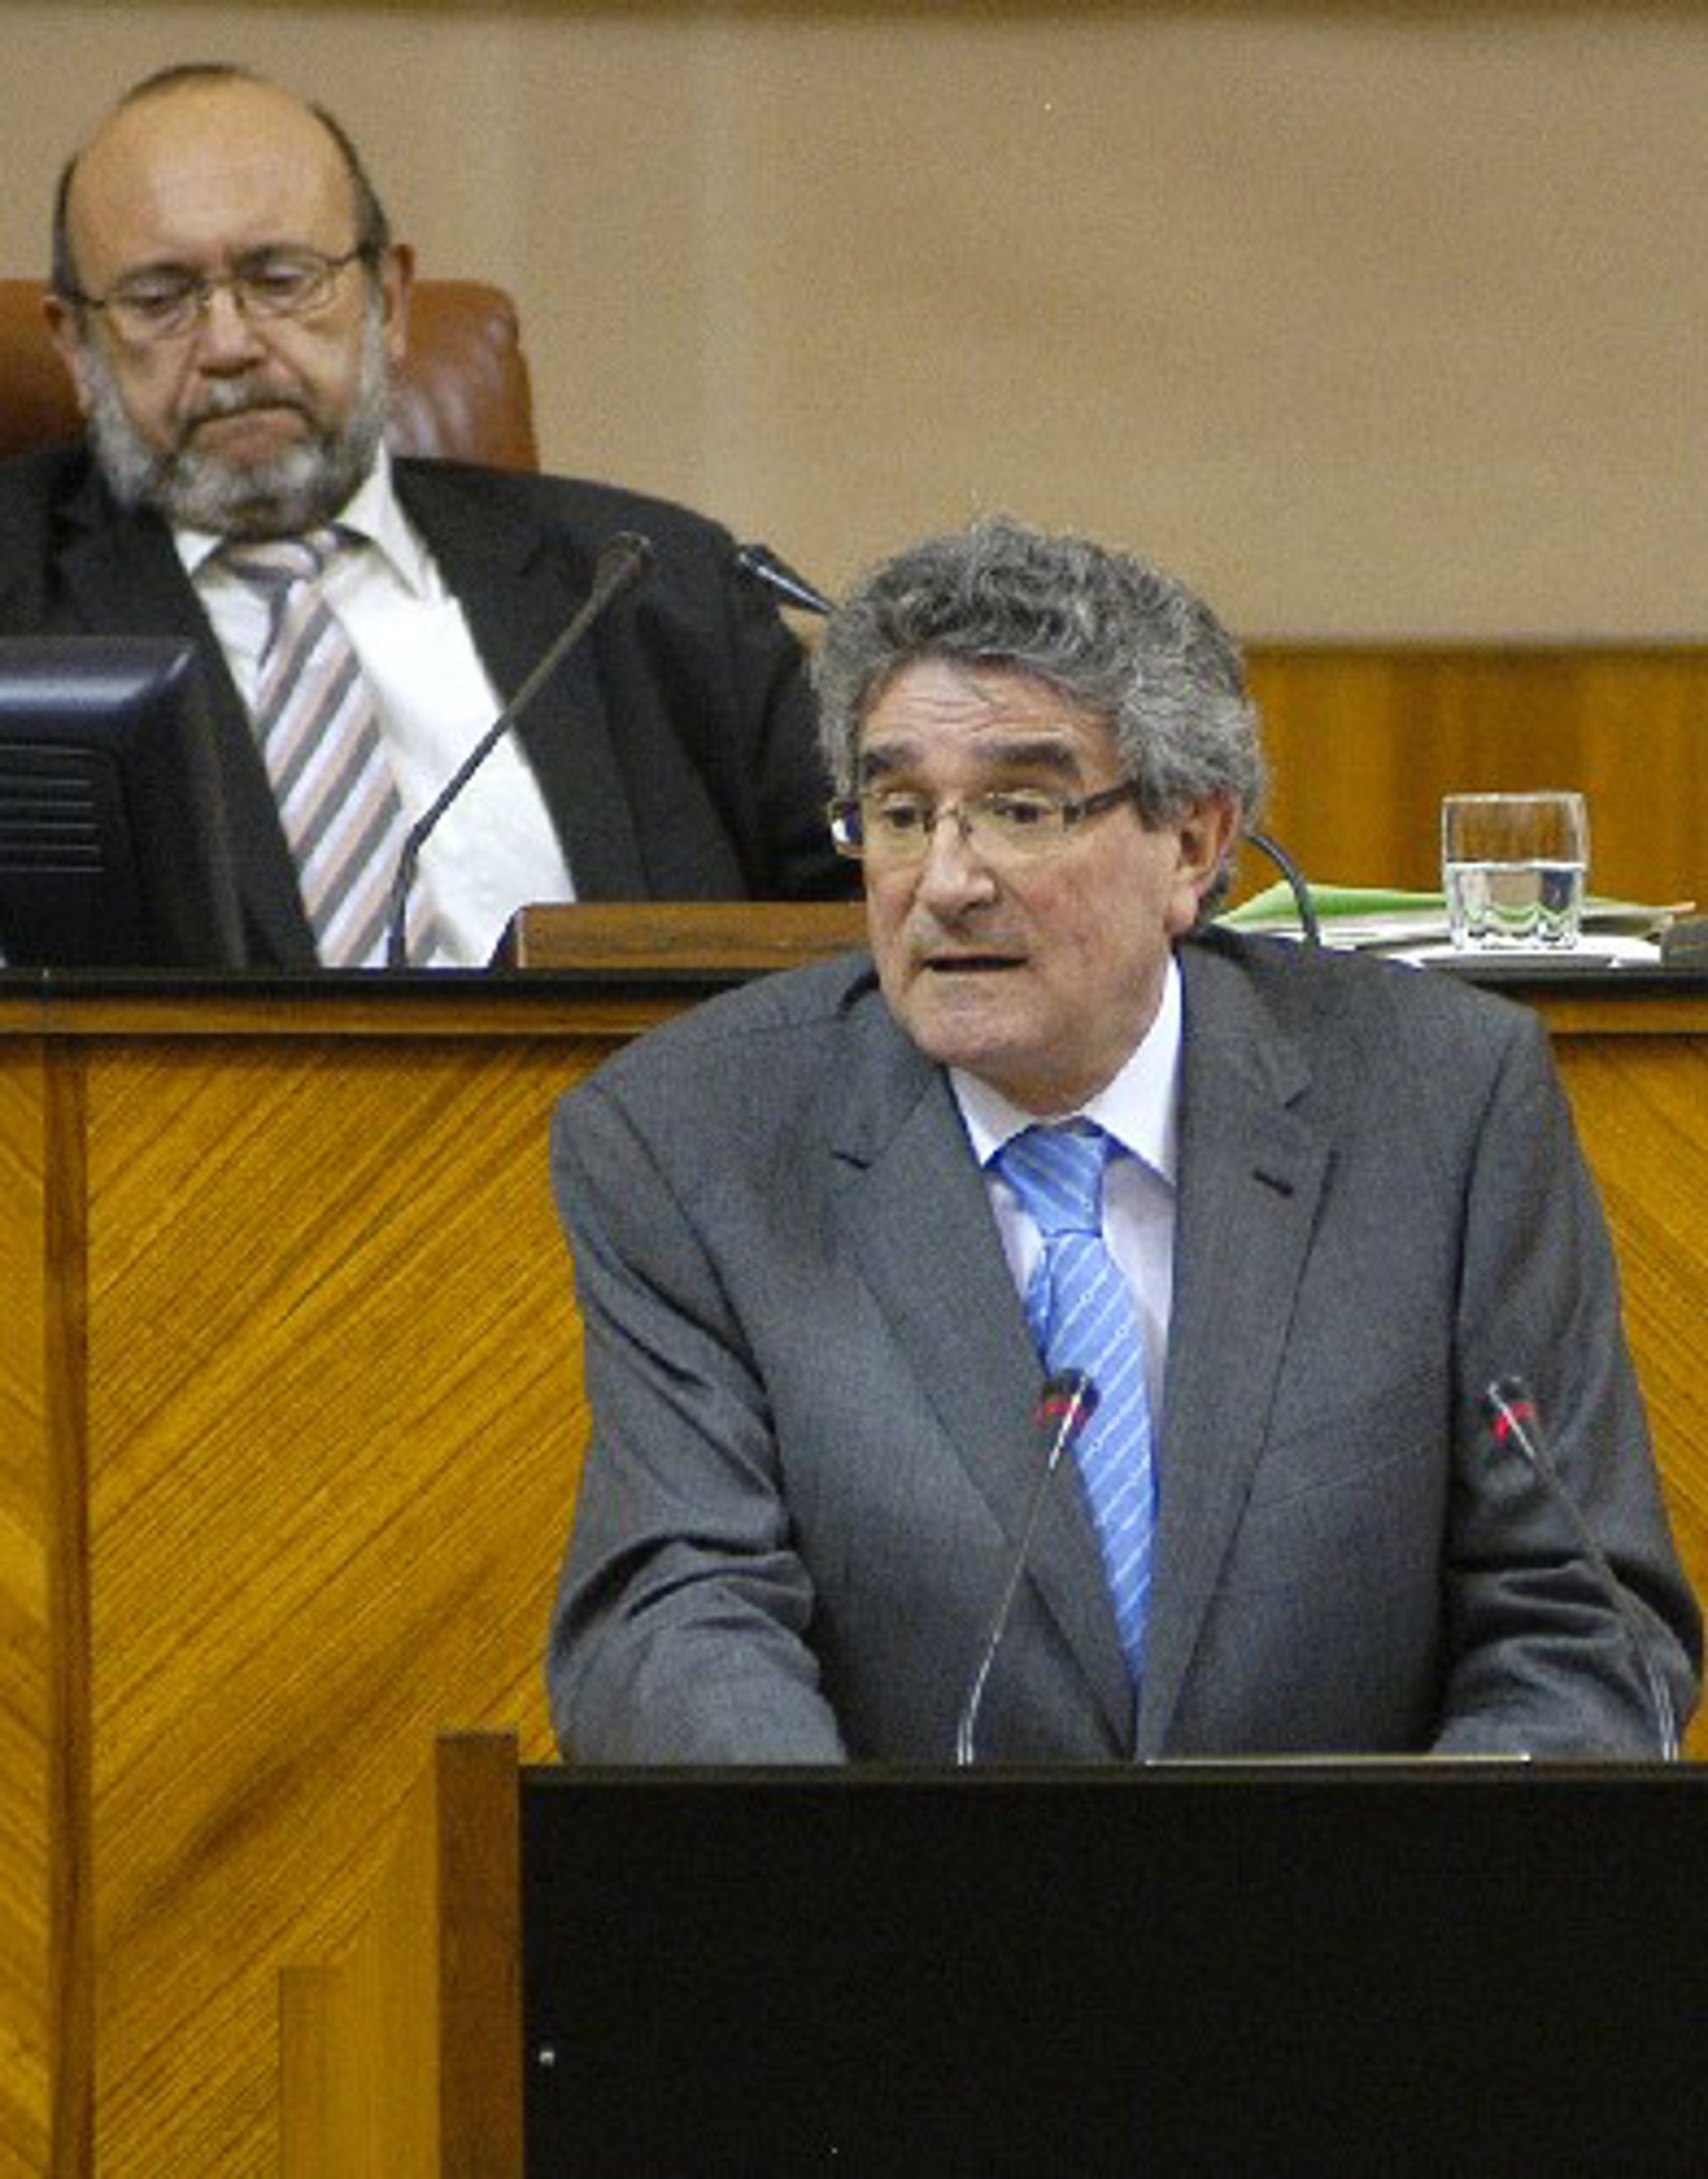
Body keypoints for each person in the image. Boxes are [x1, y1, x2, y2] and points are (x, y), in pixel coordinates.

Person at [545, 514, 1700, 1763]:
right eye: (899, 812)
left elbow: (1580, 1621)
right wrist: (844, 1873)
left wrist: (1406, 1876)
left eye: (1021, 809)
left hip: (1365, 1886)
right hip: (895, 1886)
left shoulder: (1446, 1104)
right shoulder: (693, 1139)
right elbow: (679, 1618)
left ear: (1192, 845)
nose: (945, 881)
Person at [0, 64, 843, 968]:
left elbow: (865, 926)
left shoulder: (653, 586)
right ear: (76, 346)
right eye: (158, 300)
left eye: (281, 279)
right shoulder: (17, 601)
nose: (230, 345)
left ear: (390, 299)